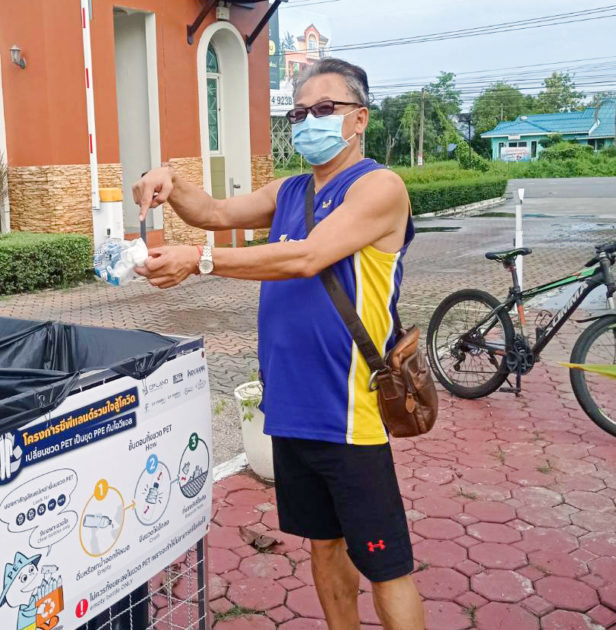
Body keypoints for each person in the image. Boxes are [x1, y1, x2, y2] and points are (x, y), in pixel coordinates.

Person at [132, 58, 424, 630]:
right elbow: (215, 212)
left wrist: (200, 261)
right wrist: (169, 179)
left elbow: (307, 256)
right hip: (292, 408)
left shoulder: (380, 187)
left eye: (325, 109)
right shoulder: (290, 190)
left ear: (359, 118)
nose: (310, 121)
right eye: (299, 113)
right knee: (324, 546)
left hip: (350, 412)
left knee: (386, 566)